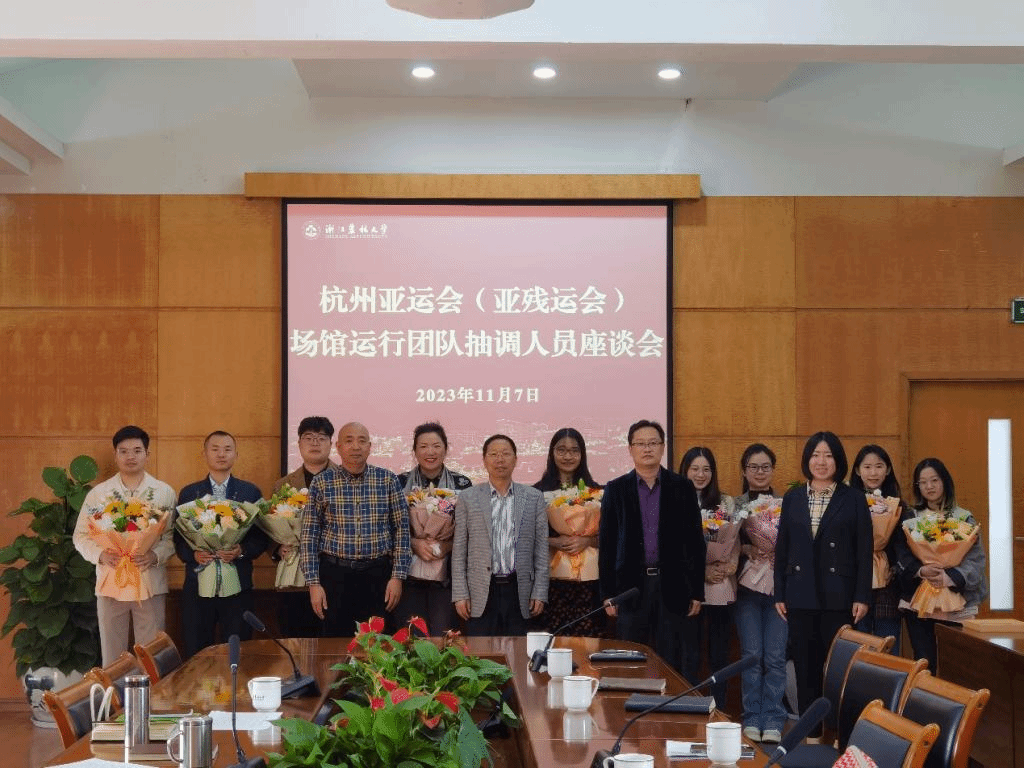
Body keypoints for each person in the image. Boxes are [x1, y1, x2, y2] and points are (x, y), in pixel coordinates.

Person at [774, 431, 872, 719]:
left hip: (839, 597)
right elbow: (783, 549)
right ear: (807, 459)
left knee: (837, 670)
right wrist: (779, 592)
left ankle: (836, 732)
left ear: (838, 461)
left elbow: (864, 551)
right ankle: (811, 735)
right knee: (805, 669)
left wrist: (862, 596)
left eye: (828, 455)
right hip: (800, 596)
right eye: (815, 455)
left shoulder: (853, 499)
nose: (821, 461)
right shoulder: (793, 497)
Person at [598, 420, 705, 675]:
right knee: (631, 659)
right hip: (630, 588)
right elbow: (607, 544)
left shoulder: (682, 487)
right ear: (630, 449)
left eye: (653, 443)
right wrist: (608, 593)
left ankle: (668, 701)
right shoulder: (616, 489)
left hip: (673, 586)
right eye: (641, 443)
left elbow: (695, 542)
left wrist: (696, 591)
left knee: (671, 660)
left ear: (663, 447)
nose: (647, 448)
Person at [73, 425, 177, 666]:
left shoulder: (164, 492)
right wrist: (100, 555)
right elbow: (80, 536)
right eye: (124, 451)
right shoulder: (99, 494)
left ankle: (152, 692)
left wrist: (155, 555)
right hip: (111, 581)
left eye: (137, 450)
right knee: (112, 655)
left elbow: (172, 537)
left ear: (147, 454)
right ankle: (114, 692)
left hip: (149, 580)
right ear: (115, 455)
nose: (131, 456)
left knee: (152, 654)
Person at [299, 422, 411, 637]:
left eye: (361, 441)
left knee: (379, 644)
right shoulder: (322, 482)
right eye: (349, 441)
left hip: (378, 575)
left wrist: (397, 577)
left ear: (370, 447)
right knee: (336, 643)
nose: (356, 446)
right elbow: (309, 535)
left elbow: (401, 531)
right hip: (334, 576)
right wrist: (313, 583)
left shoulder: (387, 480)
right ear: (338, 447)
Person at [174, 430, 268, 658]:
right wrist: (193, 555)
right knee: (197, 651)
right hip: (198, 586)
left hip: (238, 585)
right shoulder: (189, 493)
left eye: (227, 449)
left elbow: (262, 537)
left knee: (238, 651)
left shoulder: (249, 491)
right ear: (205, 454)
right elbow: (178, 537)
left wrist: (241, 550)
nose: (221, 454)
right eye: (215, 449)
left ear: (236, 454)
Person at [893, 457, 988, 672]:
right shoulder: (910, 518)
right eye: (923, 482)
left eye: (934, 480)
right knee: (924, 661)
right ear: (917, 486)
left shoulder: (964, 518)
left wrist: (949, 576)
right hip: (919, 601)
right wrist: (921, 570)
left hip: (957, 602)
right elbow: (901, 554)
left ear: (945, 481)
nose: (929, 486)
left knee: (957, 664)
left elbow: (975, 559)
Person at [451, 434, 549, 636]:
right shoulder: (468, 498)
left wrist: (540, 592)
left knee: (519, 652)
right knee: (481, 652)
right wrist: (460, 593)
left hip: (519, 590)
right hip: (481, 591)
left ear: (515, 459)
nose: (500, 459)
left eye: (505, 454)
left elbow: (541, 550)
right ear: (484, 460)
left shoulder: (533, 497)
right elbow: (459, 550)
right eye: (493, 454)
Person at [394, 422, 472, 634]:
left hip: (447, 580)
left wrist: (447, 546)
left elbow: (470, 532)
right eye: (423, 446)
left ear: (446, 449)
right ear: (414, 451)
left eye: (436, 446)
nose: (430, 452)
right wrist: (414, 543)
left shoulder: (462, 484)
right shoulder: (399, 483)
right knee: (412, 639)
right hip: (408, 579)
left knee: (444, 639)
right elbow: (390, 527)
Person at [732, 443, 787, 744]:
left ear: (773, 470)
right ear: (744, 471)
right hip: (747, 590)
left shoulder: (787, 504)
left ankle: (774, 718)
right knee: (752, 656)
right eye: (754, 467)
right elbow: (722, 544)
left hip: (779, 592)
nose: (760, 472)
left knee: (776, 657)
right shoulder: (733, 505)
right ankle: (752, 717)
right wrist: (745, 547)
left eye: (765, 466)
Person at [679, 446, 737, 711]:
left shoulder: (726, 503)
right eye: (695, 469)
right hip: (687, 588)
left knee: (719, 653)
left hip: (719, 585)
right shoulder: (674, 499)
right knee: (689, 653)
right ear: (684, 471)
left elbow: (734, 541)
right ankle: (687, 707)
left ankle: (719, 708)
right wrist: (700, 571)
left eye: (706, 469)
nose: (700, 475)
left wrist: (727, 566)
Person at [533, 427, 603, 637]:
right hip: (551, 582)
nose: (568, 456)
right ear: (551, 453)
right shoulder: (536, 492)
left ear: (582, 454)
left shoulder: (596, 492)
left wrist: (587, 541)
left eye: (574, 450)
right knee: (555, 642)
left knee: (588, 641)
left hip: (588, 582)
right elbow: (527, 537)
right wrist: (554, 542)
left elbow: (610, 537)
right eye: (561, 450)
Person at [272, 416, 337, 638]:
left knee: (331, 641)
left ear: (331, 444)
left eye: (321, 438)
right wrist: (277, 548)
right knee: (295, 639)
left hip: (333, 574)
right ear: (299, 443)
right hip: (294, 577)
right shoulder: (283, 485)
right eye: (309, 437)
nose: (315, 442)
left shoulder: (345, 480)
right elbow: (270, 523)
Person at [848, 444, 912, 653]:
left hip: (889, 584)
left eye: (879, 466)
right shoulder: (846, 503)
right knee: (859, 648)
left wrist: (894, 567)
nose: (873, 473)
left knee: (888, 648)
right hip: (855, 584)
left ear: (888, 469)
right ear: (858, 471)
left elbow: (906, 547)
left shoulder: (899, 506)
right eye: (867, 467)